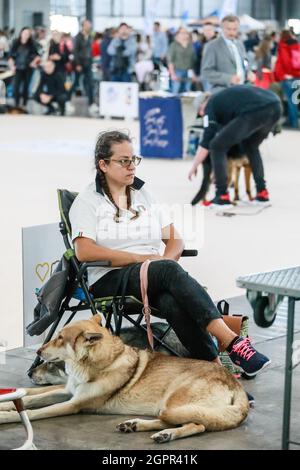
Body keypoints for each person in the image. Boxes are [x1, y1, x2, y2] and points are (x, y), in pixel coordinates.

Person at [69, 129, 271, 377]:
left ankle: (217, 375)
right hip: (110, 278)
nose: (132, 166)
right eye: (124, 161)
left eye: (134, 159)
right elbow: (83, 251)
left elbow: (175, 239)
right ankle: (233, 343)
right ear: (103, 164)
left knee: (171, 302)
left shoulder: (142, 194)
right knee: (166, 270)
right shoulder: (88, 201)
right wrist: (145, 261)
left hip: (152, 273)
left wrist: (163, 266)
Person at [188, 85, 282, 207]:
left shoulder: (210, 106)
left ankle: (222, 196)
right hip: (275, 106)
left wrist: (194, 166)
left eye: (200, 112)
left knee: (216, 146)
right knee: (251, 146)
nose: (202, 114)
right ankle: (262, 193)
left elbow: (206, 142)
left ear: (202, 105)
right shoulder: (223, 99)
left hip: (256, 110)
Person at [201, 15, 254, 93]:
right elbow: (206, 72)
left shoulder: (240, 44)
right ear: (222, 28)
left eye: (234, 29)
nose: (231, 32)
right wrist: (229, 78)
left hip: (243, 89)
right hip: (223, 92)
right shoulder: (212, 46)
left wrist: (249, 71)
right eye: (228, 29)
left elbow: (245, 61)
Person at [8, 27, 40, 108]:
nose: (26, 35)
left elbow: (37, 56)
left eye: (27, 34)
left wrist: (33, 63)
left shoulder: (32, 44)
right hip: (17, 68)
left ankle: (24, 104)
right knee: (16, 87)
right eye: (24, 33)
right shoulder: (15, 43)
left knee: (26, 87)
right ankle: (16, 104)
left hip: (28, 68)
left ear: (29, 35)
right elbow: (10, 56)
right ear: (21, 33)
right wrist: (12, 66)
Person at [274, 29, 300, 129]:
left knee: (291, 101)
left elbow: (285, 62)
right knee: (295, 100)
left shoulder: (284, 46)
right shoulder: (297, 45)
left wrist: (285, 74)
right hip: (298, 76)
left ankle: (293, 123)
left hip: (289, 77)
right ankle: (291, 120)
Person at [168, 27, 197, 94]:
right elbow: (170, 61)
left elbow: (193, 60)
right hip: (177, 71)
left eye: (186, 33)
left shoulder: (190, 45)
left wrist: (193, 74)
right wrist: (172, 74)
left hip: (189, 71)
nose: (184, 35)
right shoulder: (173, 45)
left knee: (188, 91)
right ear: (177, 35)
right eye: (182, 33)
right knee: (176, 90)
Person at [72, 19, 94, 107]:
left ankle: (91, 103)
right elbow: (75, 52)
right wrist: (77, 64)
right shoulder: (78, 37)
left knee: (89, 83)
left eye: (90, 24)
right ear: (83, 26)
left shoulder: (90, 36)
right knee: (76, 82)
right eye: (87, 25)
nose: (89, 26)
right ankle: (68, 100)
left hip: (88, 63)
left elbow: (90, 51)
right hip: (79, 63)